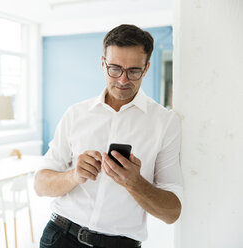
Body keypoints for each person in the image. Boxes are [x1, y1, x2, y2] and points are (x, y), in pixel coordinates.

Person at [34, 24, 183, 248]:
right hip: (61, 236)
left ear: (147, 68)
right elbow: (40, 185)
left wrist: (134, 182)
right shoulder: (76, 114)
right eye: (115, 68)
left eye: (133, 71)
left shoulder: (165, 123)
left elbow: (172, 212)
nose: (123, 80)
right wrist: (74, 175)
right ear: (103, 64)